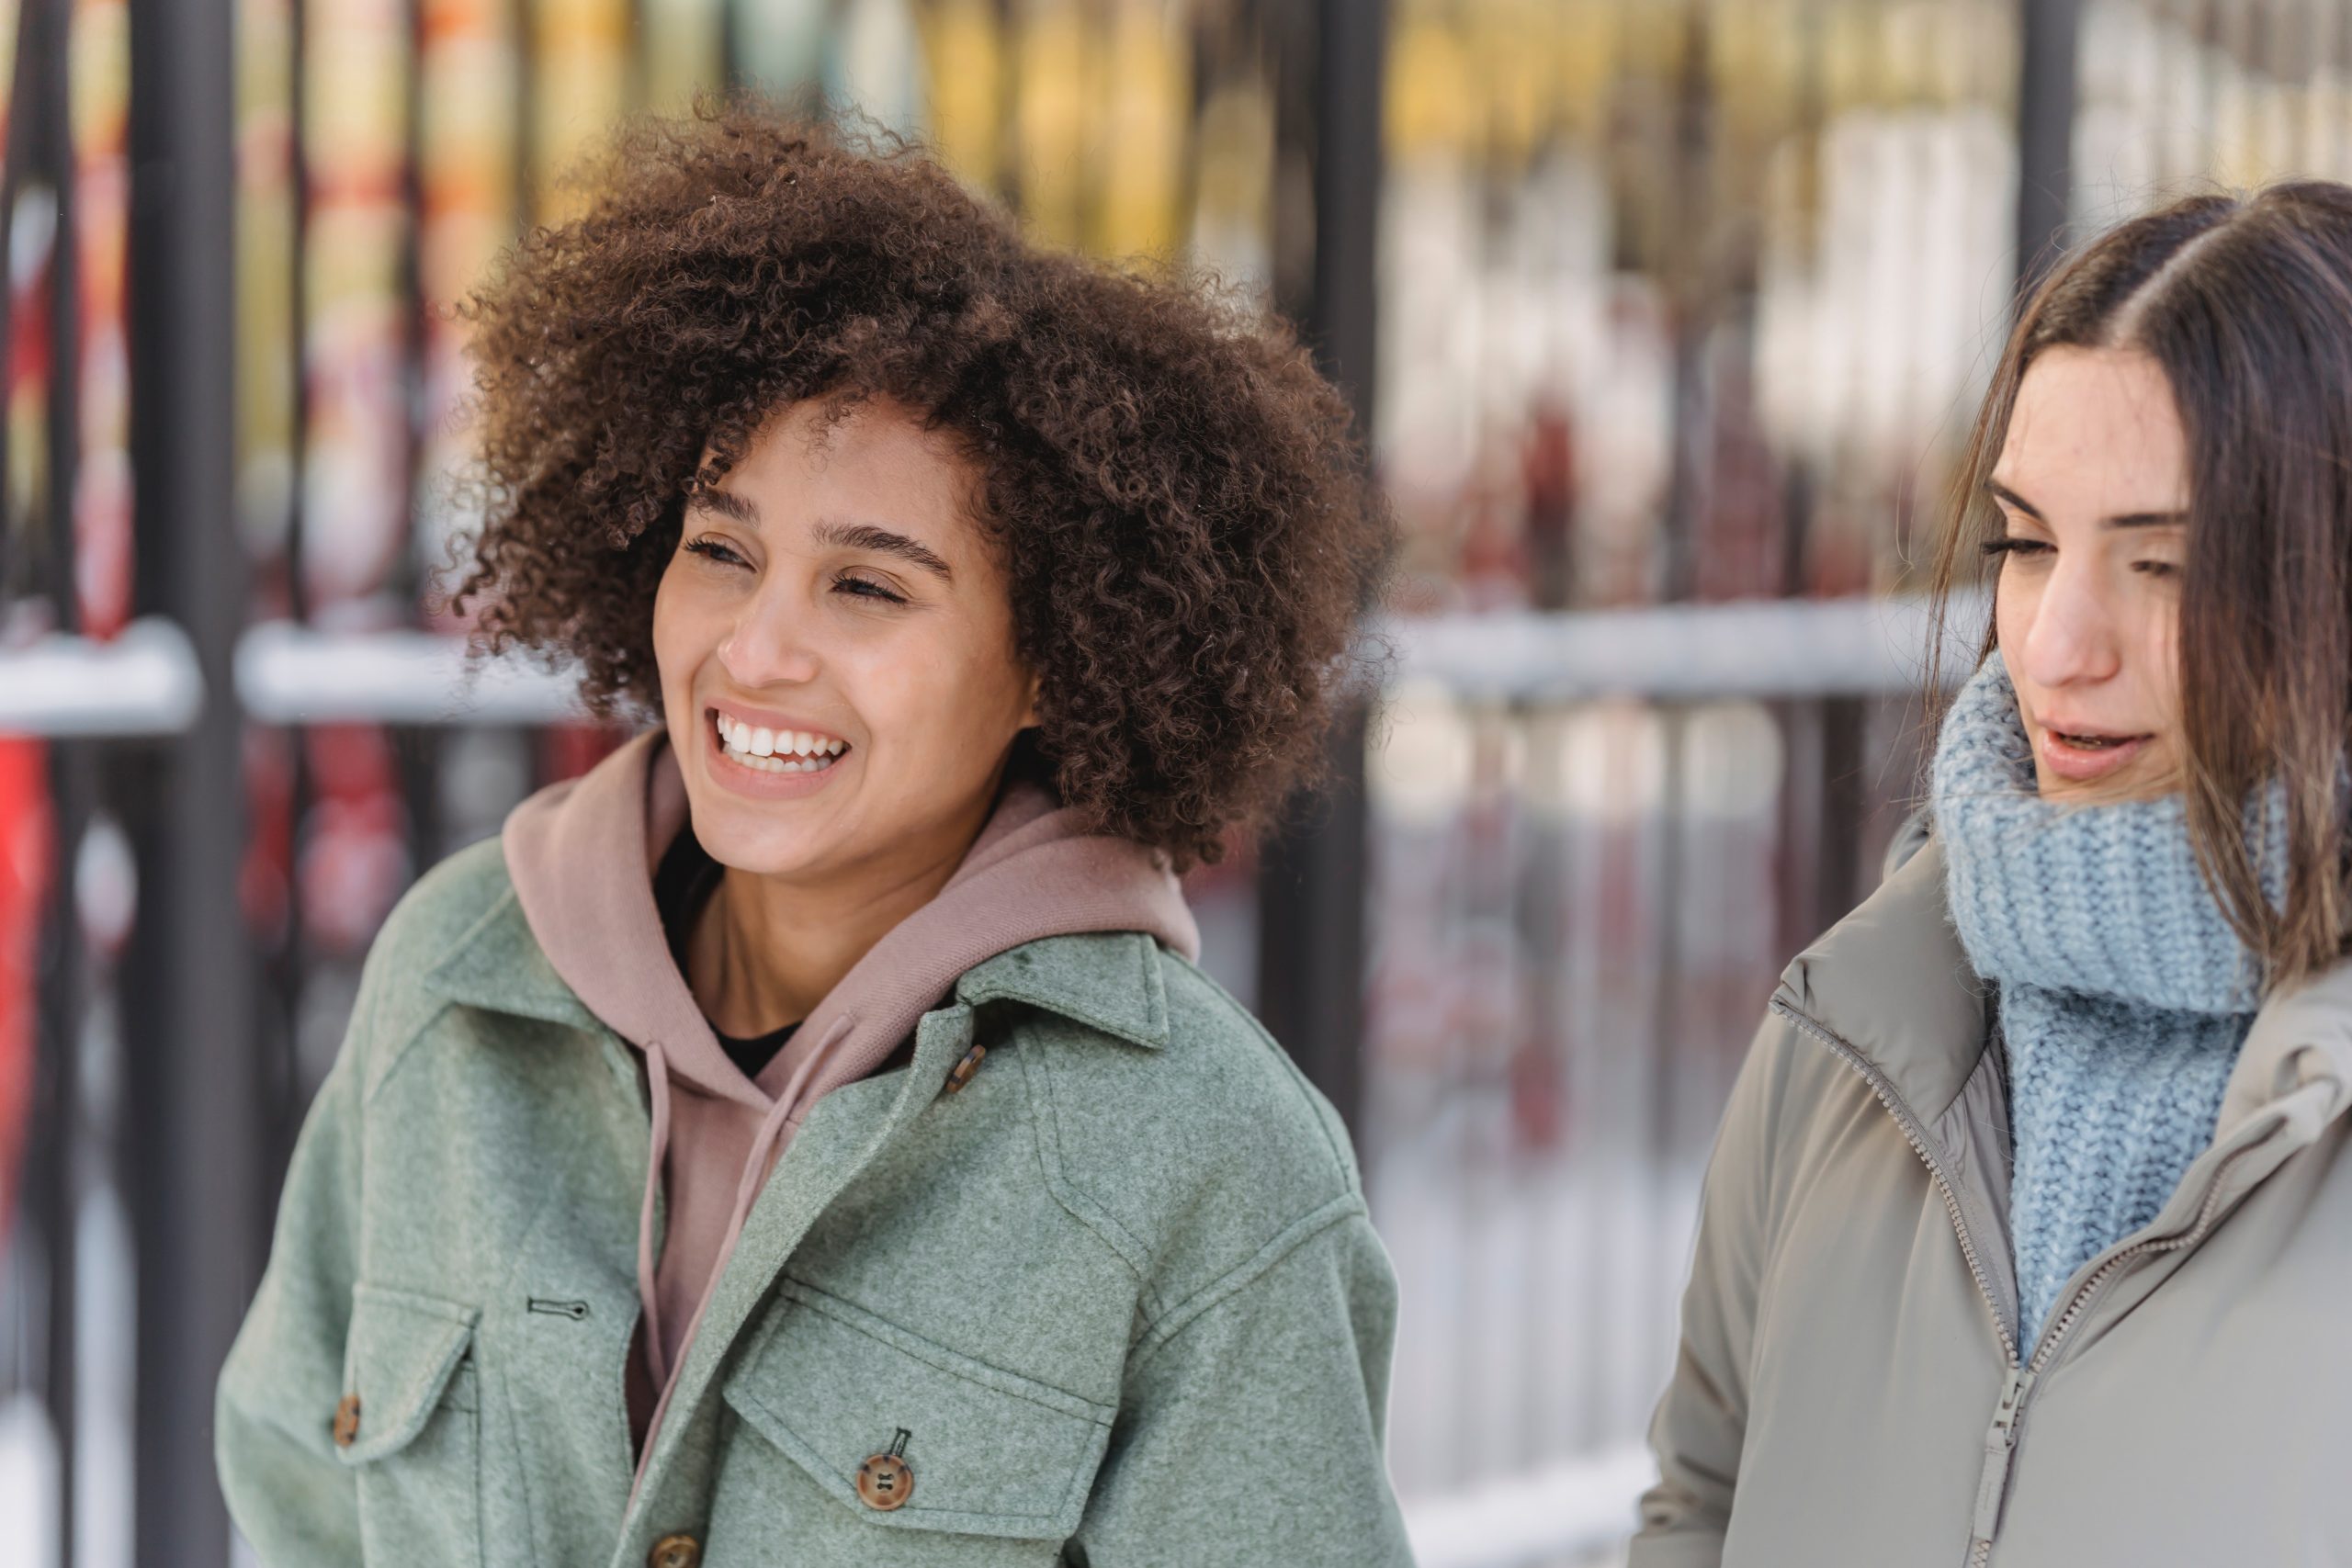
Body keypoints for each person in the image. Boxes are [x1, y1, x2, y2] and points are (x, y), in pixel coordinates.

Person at [215, 107, 1413, 1568]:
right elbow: (295, 1491)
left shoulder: (1204, 1168)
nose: (756, 650)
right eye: (721, 550)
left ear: (1054, 663)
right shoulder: (457, 981)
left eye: (867, 588)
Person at [1635, 183, 2352, 1566]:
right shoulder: (1853, 1023)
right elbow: (1699, 1504)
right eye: (2025, 543)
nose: (2054, 644)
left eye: (2165, 563)